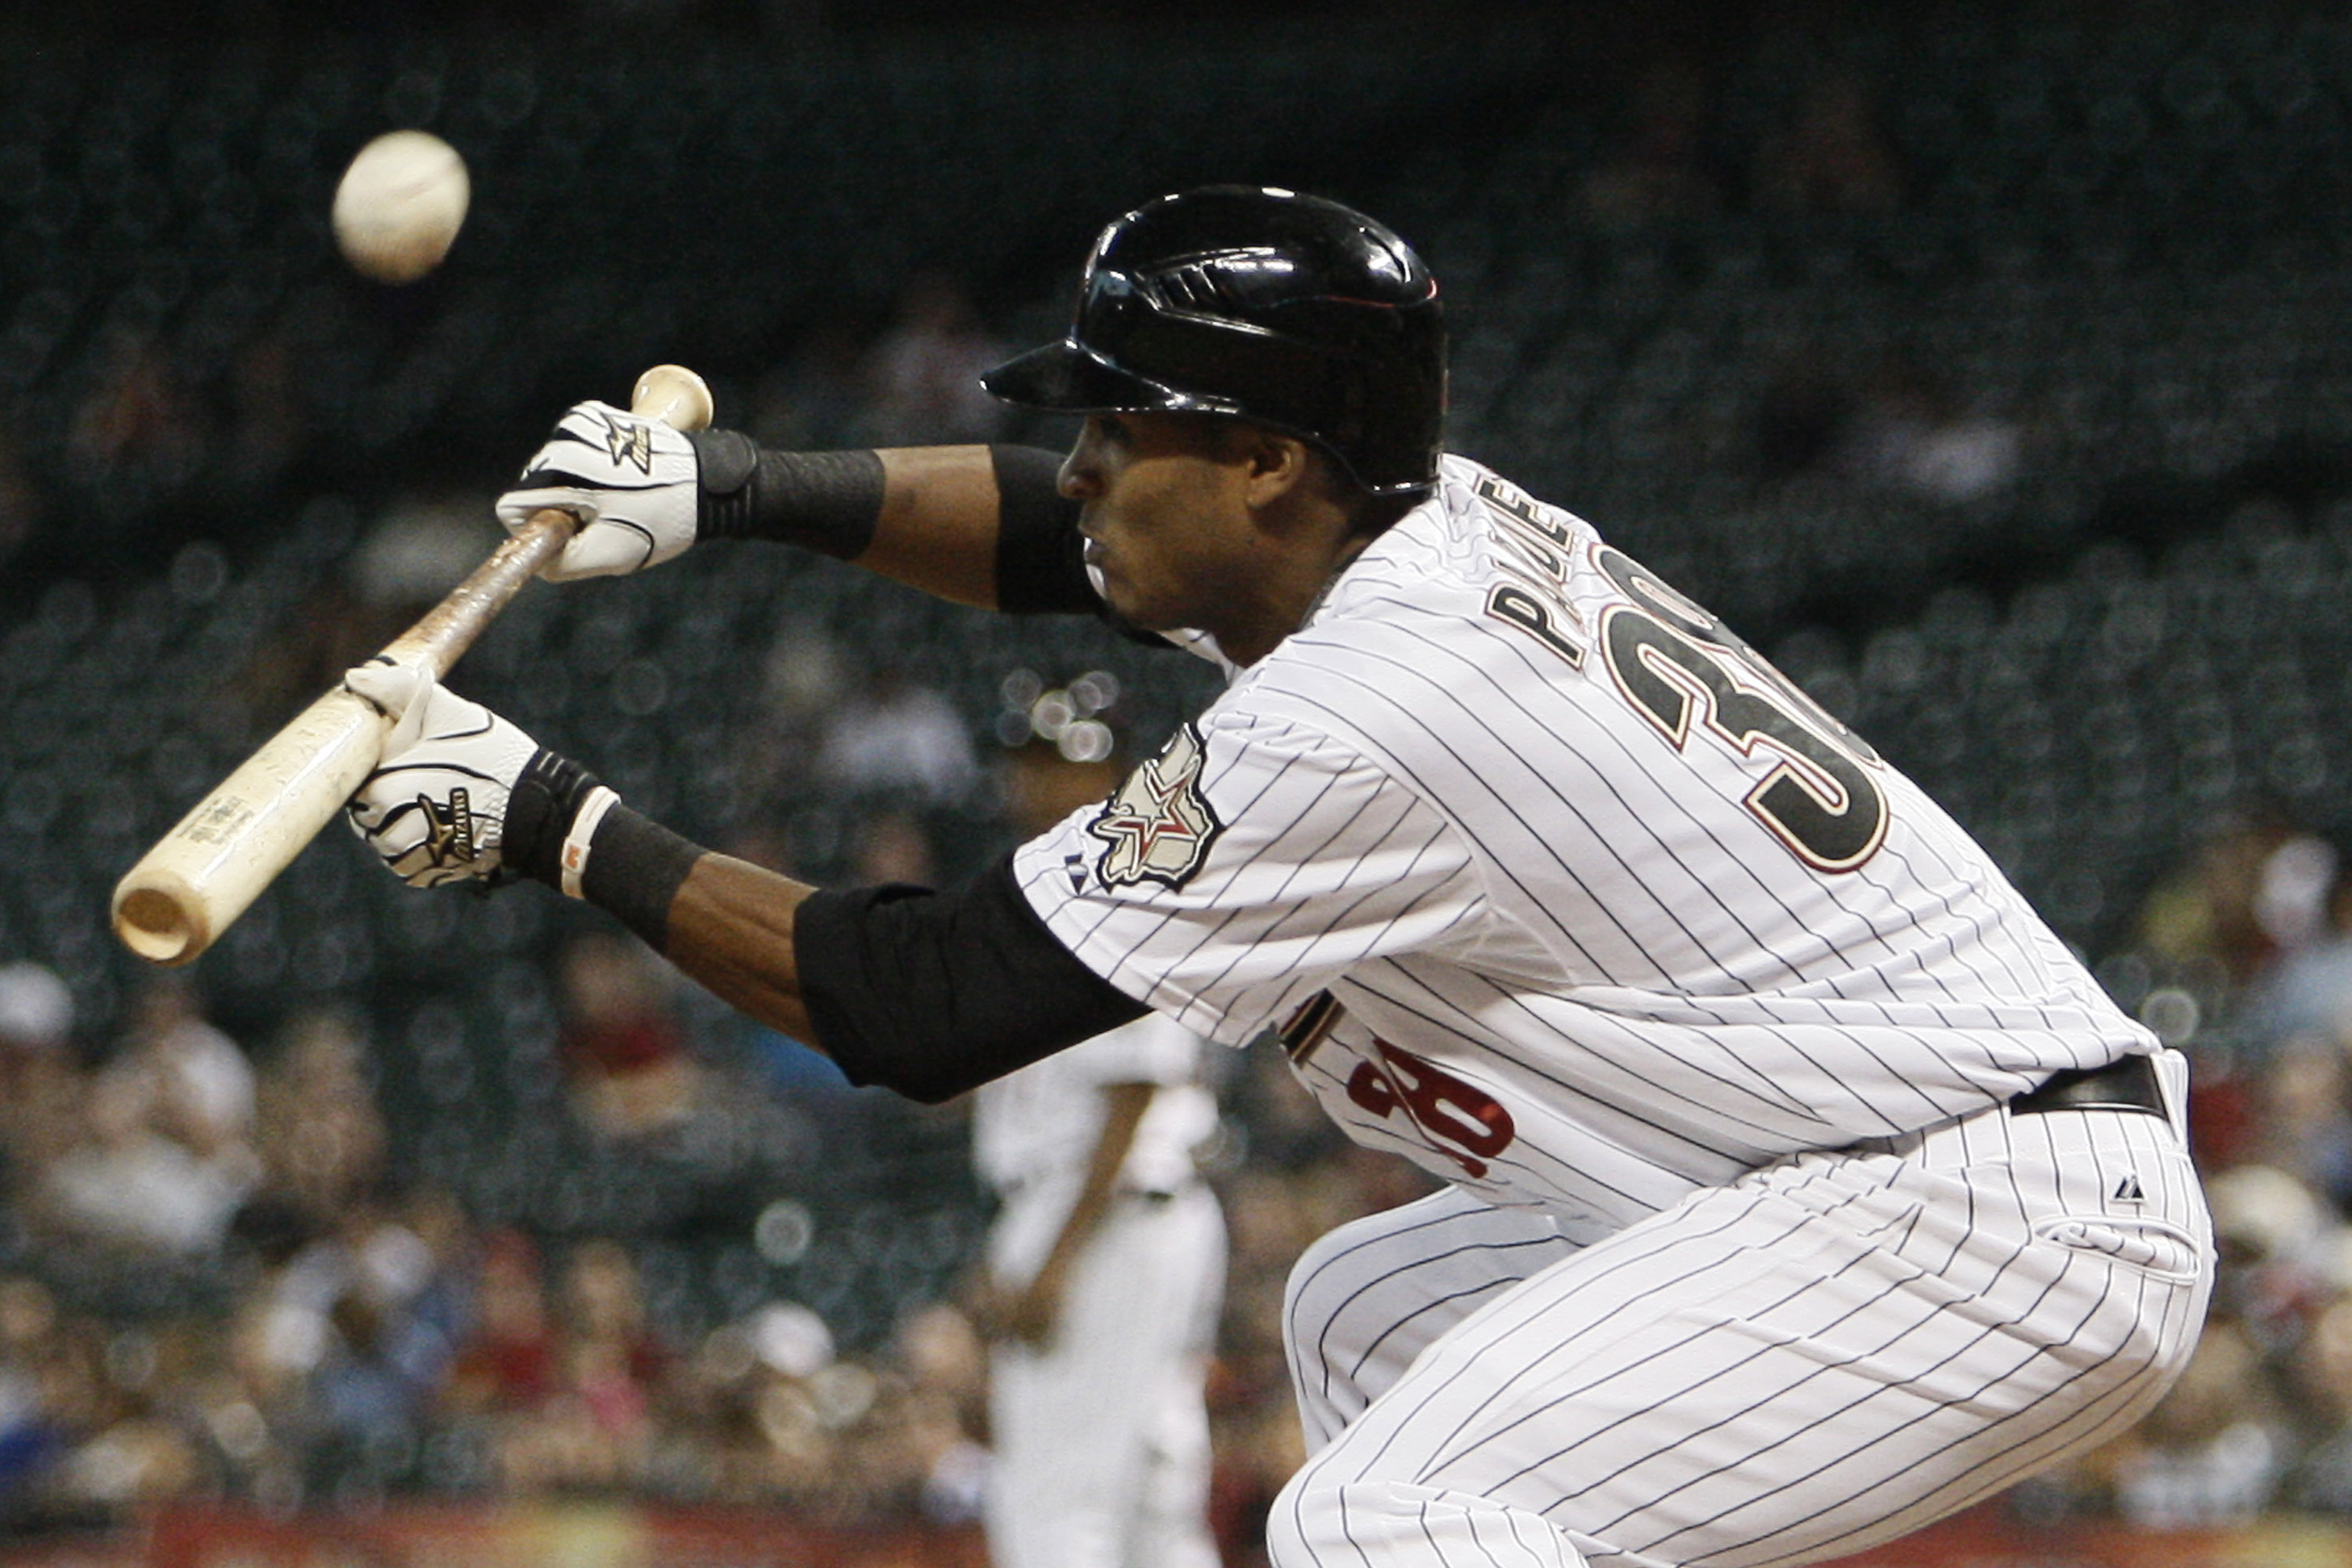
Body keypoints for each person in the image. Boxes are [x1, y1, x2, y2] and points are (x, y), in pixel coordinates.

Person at [344, 186, 2212, 1568]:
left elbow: (920, 1004)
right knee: (1369, 1316)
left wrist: (550, 818)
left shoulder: (1370, 707)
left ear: (1258, 459)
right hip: (1848, 1181)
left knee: (1386, 1512)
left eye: (1117, 428)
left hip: (1974, 1221)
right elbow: (1053, 541)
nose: (1075, 464)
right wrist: (739, 487)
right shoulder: (1398, 520)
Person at [971, 1010, 1224, 1568]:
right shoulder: (1039, 936)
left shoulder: (1098, 931)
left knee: (1055, 1490)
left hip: (1100, 1209)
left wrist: (1056, 1260)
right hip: (1108, 1206)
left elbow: (1134, 1088)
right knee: (1154, 1482)